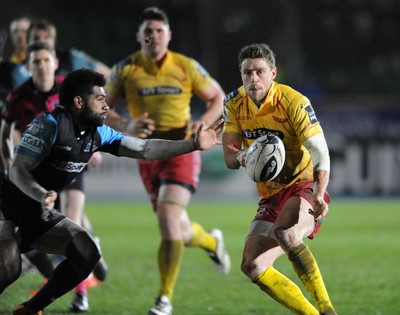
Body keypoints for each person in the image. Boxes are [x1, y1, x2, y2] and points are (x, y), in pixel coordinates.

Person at [0, 68, 223, 315]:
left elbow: (144, 149)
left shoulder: (99, 134)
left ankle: (30, 310)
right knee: (9, 267)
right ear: (78, 102)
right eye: (100, 99)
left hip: (39, 212)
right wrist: (41, 194)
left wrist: (192, 144)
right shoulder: (49, 124)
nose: (107, 105)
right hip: (7, 206)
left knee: (87, 252)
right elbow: (17, 170)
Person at [105, 6, 230, 315]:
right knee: (176, 228)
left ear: (169, 35)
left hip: (182, 149)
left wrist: (202, 124)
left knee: (167, 217)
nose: (154, 35)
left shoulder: (186, 66)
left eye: (159, 31)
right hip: (145, 152)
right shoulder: (124, 69)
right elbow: (101, 107)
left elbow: (218, 97)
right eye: (148, 30)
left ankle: (164, 299)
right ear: (139, 36)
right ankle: (212, 242)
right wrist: (124, 126)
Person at [222, 43, 337, 315]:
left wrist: (320, 193)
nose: (253, 79)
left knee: (284, 232)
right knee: (252, 265)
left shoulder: (294, 102)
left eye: (260, 72)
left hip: (304, 183)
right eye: (247, 73)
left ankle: (327, 309)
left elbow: (320, 151)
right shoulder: (233, 103)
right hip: (271, 193)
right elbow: (228, 156)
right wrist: (243, 157)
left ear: (273, 73)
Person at [0, 42, 105, 313]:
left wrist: (95, 142)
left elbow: (98, 116)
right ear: (29, 66)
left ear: (55, 63)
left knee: (74, 219)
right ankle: (44, 272)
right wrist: (12, 163)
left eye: (46, 60)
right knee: (19, 248)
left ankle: (80, 293)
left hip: (69, 165)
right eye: (36, 62)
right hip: (33, 174)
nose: (42, 66)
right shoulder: (19, 96)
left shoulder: (70, 90)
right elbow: (6, 131)